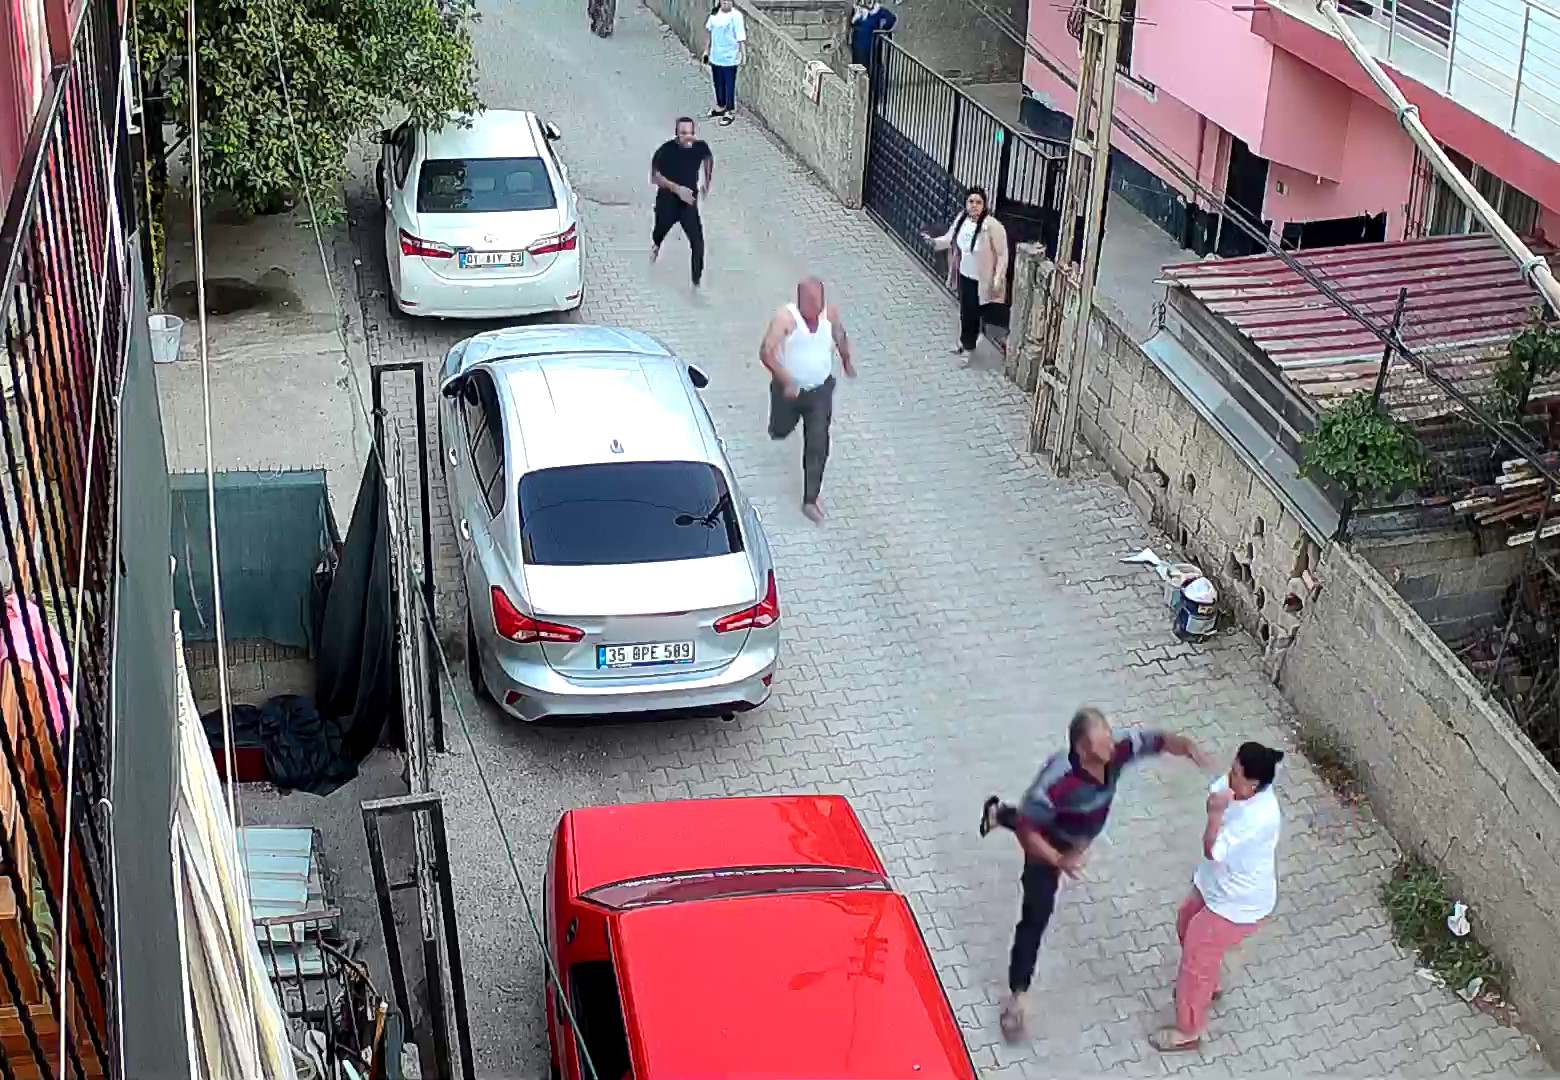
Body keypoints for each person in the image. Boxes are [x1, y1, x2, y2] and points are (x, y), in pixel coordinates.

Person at [978, 707, 1211, 1043]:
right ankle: (1018, 997)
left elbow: (1158, 740)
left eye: (1109, 736)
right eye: (1102, 744)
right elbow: (1029, 835)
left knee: (1041, 817)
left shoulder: (1117, 750)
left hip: (1073, 829)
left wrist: (1188, 748)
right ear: (1082, 748)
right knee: (1035, 916)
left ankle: (999, 813)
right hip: (1048, 847)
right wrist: (1060, 860)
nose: (1112, 748)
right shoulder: (1057, 781)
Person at [1151, 742, 1285, 1053]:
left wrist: (1214, 814)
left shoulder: (1260, 818)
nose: (1228, 776)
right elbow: (1218, 791)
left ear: (1252, 785)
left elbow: (1211, 849)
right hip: (1216, 883)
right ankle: (1208, 984)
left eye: (1235, 773)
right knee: (1186, 919)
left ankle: (1189, 1029)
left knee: (1196, 955)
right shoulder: (1237, 786)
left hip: (1238, 902)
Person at [759, 278, 856, 524]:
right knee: (779, 430)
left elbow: (840, 335)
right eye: (811, 305)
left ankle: (810, 498)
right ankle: (781, 427)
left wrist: (846, 361)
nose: (816, 311)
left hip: (819, 392)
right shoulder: (786, 318)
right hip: (789, 392)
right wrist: (786, 379)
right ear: (800, 301)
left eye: (819, 303)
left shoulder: (829, 314)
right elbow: (766, 351)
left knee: (818, 442)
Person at [921, 187, 1010, 366]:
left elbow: (1002, 254)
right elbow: (949, 238)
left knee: (973, 314)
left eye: (978, 202)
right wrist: (934, 242)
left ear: (984, 205)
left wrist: (998, 277)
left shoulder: (992, 226)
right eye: (971, 202)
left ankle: (968, 348)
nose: (974, 206)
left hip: (982, 279)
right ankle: (964, 341)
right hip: (964, 274)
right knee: (965, 311)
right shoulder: (962, 218)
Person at [650, 118, 715, 288]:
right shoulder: (666, 151)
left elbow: (708, 159)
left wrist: (707, 181)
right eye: (684, 133)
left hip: (688, 204)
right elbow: (654, 177)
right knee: (660, 230)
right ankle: (655, 246)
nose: (688, 137)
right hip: (667, 201)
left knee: (698, 242)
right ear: (677, 134)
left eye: (691, 133)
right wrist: (677, 189)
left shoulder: (700, 147)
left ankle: (696, 282)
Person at [704, 0, 747, 124]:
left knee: (729, 84)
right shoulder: (715, 14)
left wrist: (743, 54)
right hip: (716, 56)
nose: (725, 3)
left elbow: (740, 37)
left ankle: (730, 110)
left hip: (730, 57)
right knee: (718, 83)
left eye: (727, 1)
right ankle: (721, 105)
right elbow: (709, 32)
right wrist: (706, 51)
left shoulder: (736, 16)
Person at [849, 0, 896, 68]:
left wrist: (882, 28)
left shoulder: (879, 10)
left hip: (872, 45)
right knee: (859, 64)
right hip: (858, 45)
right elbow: (851, 23)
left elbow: (891, 20)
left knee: (871, 65)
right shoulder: (857, 11)